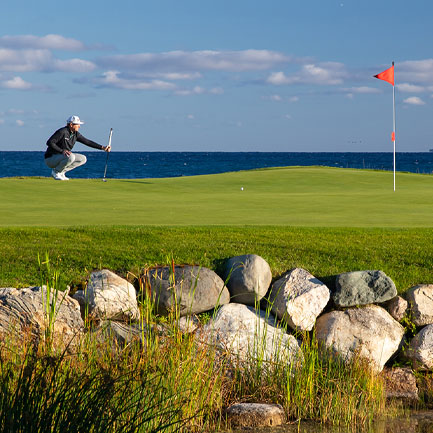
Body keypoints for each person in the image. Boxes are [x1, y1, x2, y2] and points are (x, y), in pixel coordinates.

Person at [44, 115, 111, 180]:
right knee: (71, 156)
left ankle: (61, 172)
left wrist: (102, 147)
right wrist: (62, 151)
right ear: (71, 124)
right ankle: (56, 172)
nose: (79, 126)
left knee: (83, 159)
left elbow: (87, 142)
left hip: (62, 157)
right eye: (77, 124)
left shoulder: (75, 134)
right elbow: (49, 142)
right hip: (50, 159)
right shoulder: (62, 132)